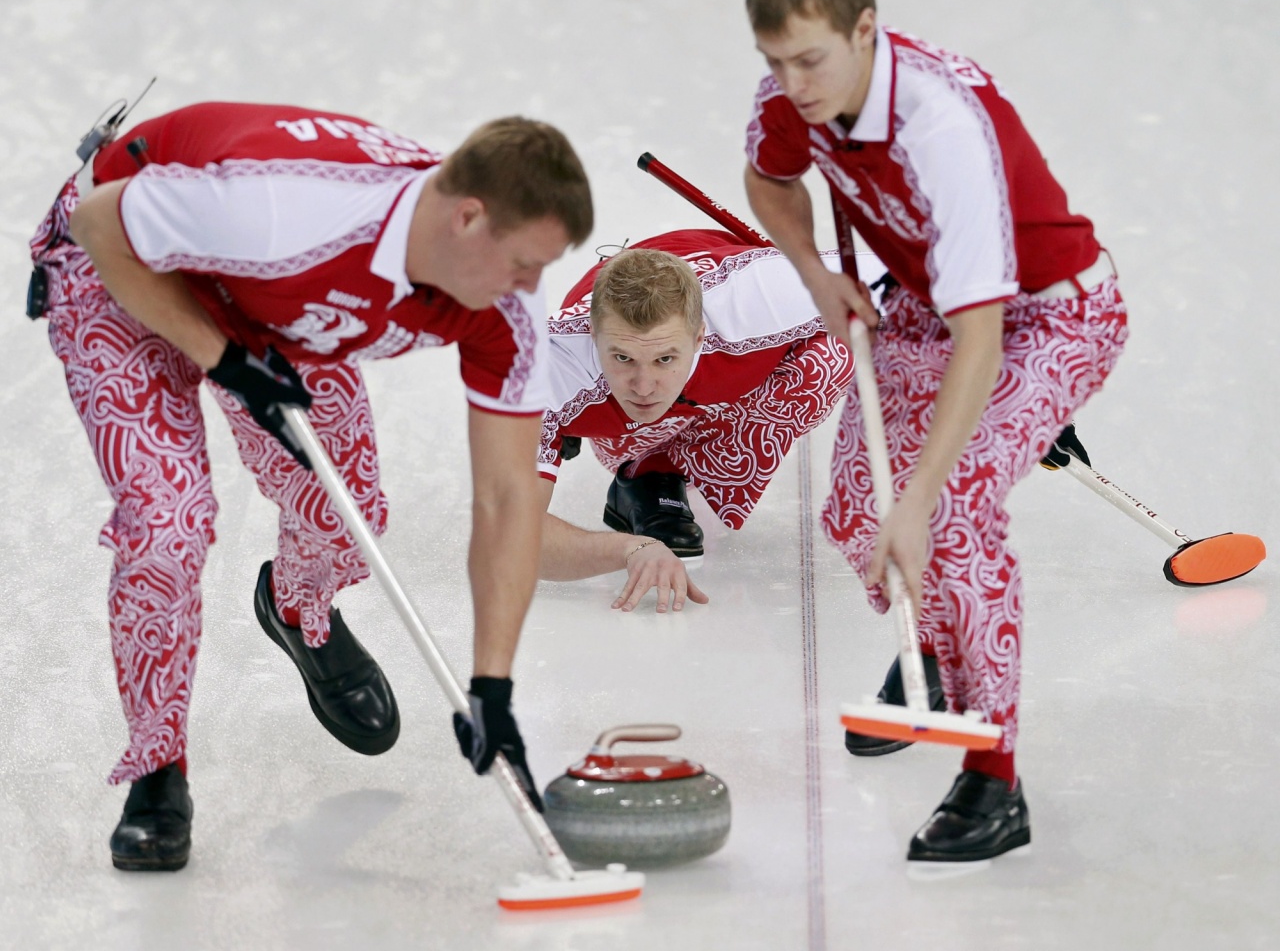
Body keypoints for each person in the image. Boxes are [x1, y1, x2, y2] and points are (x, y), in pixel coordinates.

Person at [29, 100, 592, 870]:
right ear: (467, 219)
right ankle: (158, 773)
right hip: (120, 265)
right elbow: (102, 223)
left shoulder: (505, 310)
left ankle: (297, 608)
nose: (531, 286)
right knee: (169, 523)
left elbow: (506, 499)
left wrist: (492, 685)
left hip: (275, 302)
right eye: (525, 261)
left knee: (344, 512)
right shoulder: (288, 209)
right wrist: (221, 357)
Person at [743, 0, 1129, 862]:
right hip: (923, 302)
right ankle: (938, 656)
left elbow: (985, 339)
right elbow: (769, 174)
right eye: (775, 61)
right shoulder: (791, 92)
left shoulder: (940, 125)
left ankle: (995, 784)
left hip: (1049, 317)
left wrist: (922, 497)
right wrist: (813, 265)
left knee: (946, 514)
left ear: (865, 32)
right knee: (852, 509)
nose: (791, 83)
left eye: (811, 60)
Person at [537, 227, 883, 611]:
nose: (644, 386)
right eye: (622, 358)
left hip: (737, 312)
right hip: (594, 403)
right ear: (592, 335)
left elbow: (933, 285)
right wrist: (630, 547)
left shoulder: (763, 301)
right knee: (565, 418)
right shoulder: (545, 375)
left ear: (700, 336)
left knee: (833, 355)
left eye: (665, 358)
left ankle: (659, 468)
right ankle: (581, 434)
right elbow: (509, 537)